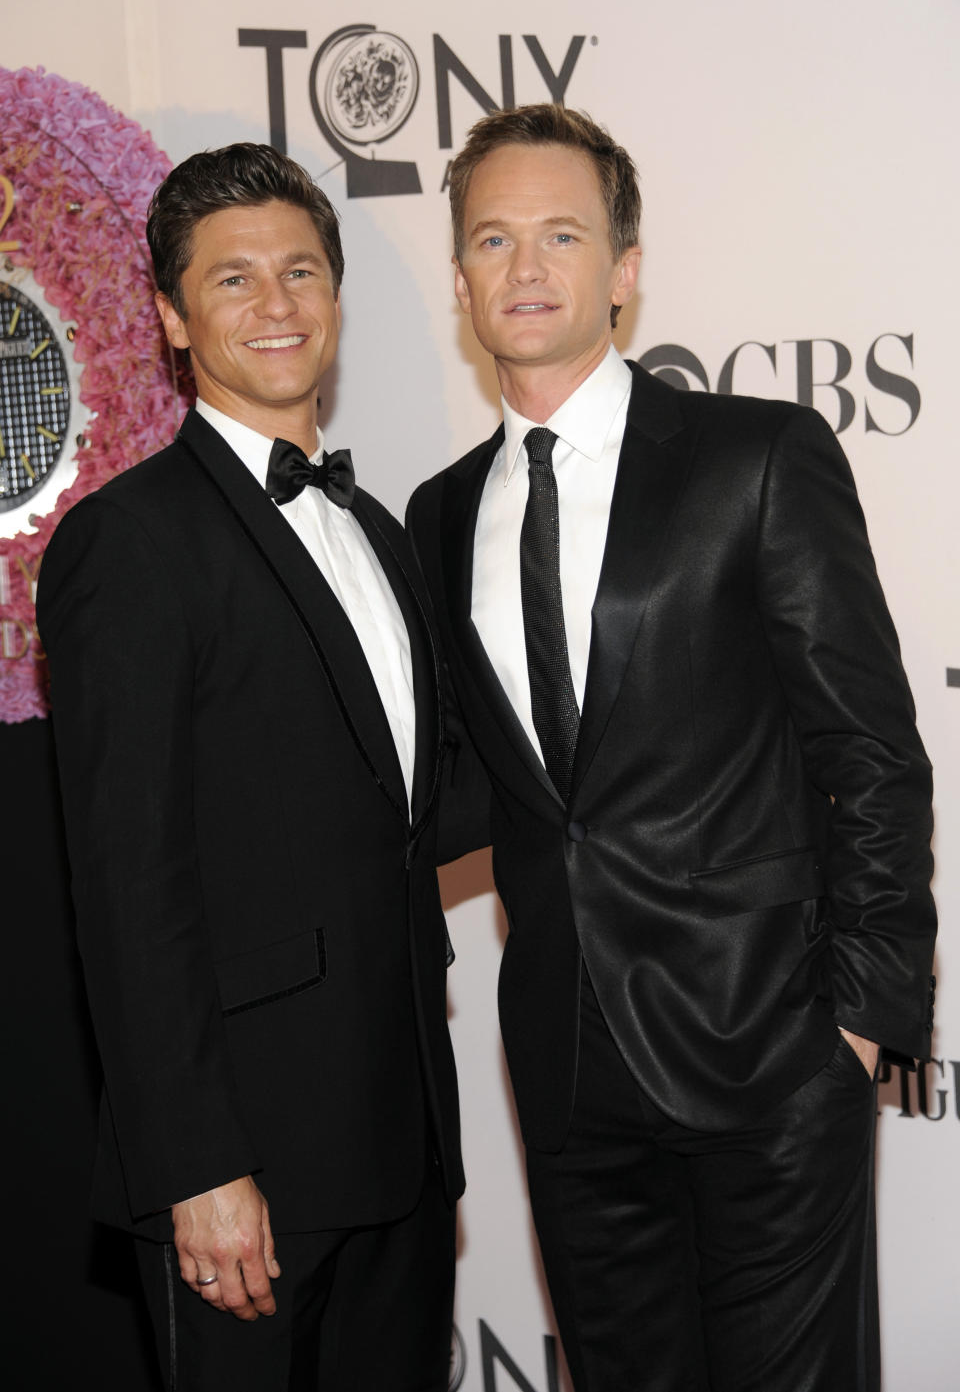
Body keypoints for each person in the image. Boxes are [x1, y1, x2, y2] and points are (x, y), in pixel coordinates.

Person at [407, 104, 937, 1392]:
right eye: (493, 239)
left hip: (770, 1056)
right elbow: (477, 786)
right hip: (571, 1069)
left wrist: (858, 1024)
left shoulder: (754, 458)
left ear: (623, 271)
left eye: (562, 235)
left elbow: (869, 745)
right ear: (463, 275)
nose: (526, 268)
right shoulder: (438, 512)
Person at [38, 142, 463, 1392]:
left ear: (335, 293)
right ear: (171, 315)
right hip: (248, 1166)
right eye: (231, 281)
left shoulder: (378, 531)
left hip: (404, 1138)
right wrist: (194, 1163)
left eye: (300, 272)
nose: (275, 306)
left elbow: (406, 815)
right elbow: (127, 884)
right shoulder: (129, 543)